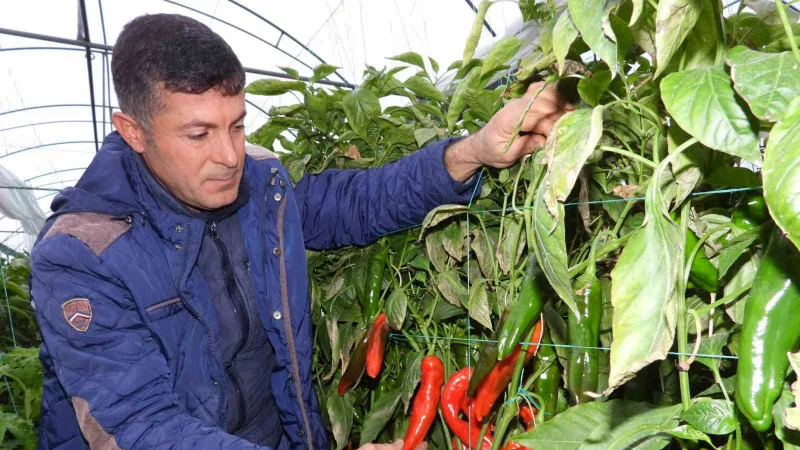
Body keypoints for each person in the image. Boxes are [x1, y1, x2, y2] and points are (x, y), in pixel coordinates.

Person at [29, 13, 571, 450]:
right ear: (134, 132)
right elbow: (141, 428)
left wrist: (471, 151)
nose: (228, 156)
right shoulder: (82, 253)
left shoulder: (259, 187)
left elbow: (354, 203)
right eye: (198, 133)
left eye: (237, 125)